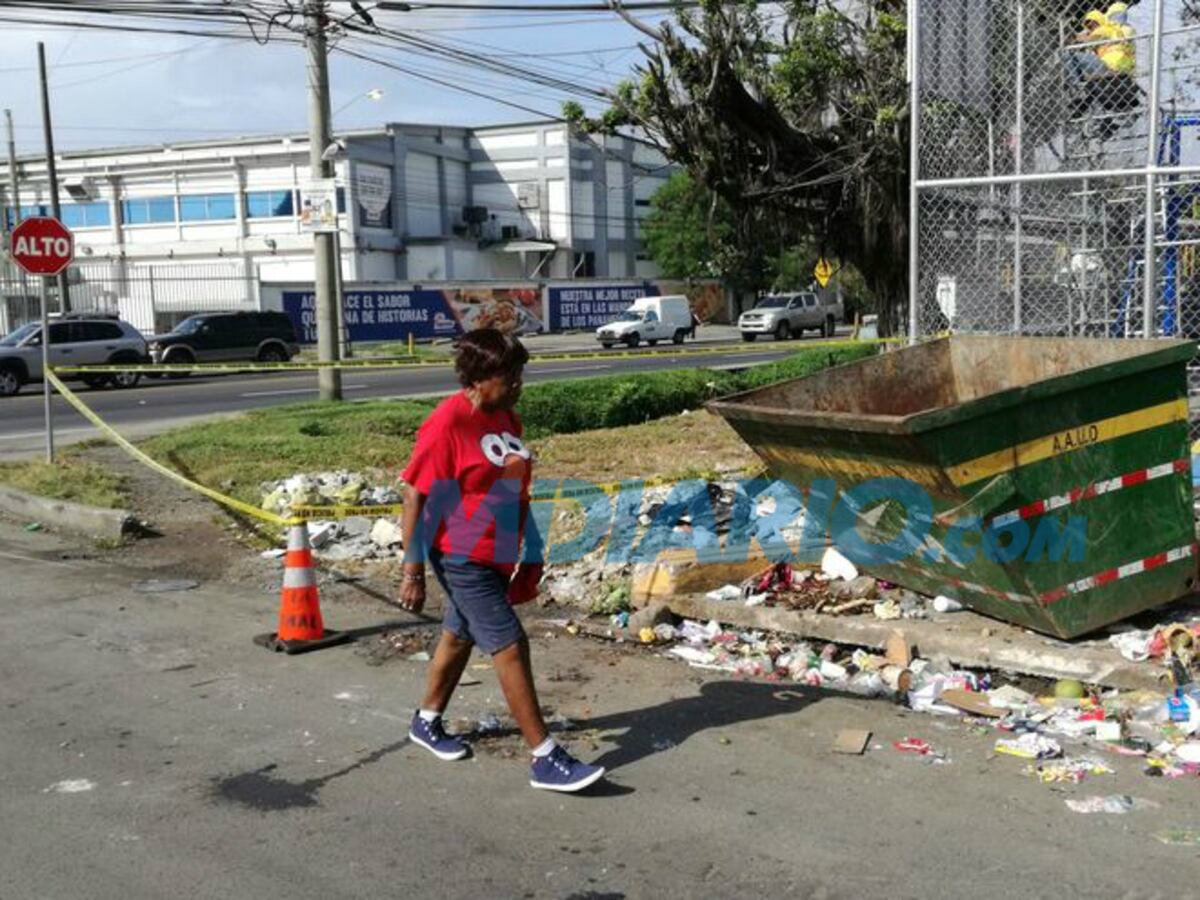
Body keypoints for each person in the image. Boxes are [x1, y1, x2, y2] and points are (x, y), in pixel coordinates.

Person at [397, 327, 606, 793]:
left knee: (459, 633)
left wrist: (529, 550)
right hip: (460, 552)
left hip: (498, 549)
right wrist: (412, 570)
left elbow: (515, 489)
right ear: (478, 376)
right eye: (509, 375)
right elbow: (415, 494)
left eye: (519, 374)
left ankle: (426, 721)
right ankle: (545, 757)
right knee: (509, 643)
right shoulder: (446, 423)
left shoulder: (506, 420)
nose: (518, 383)